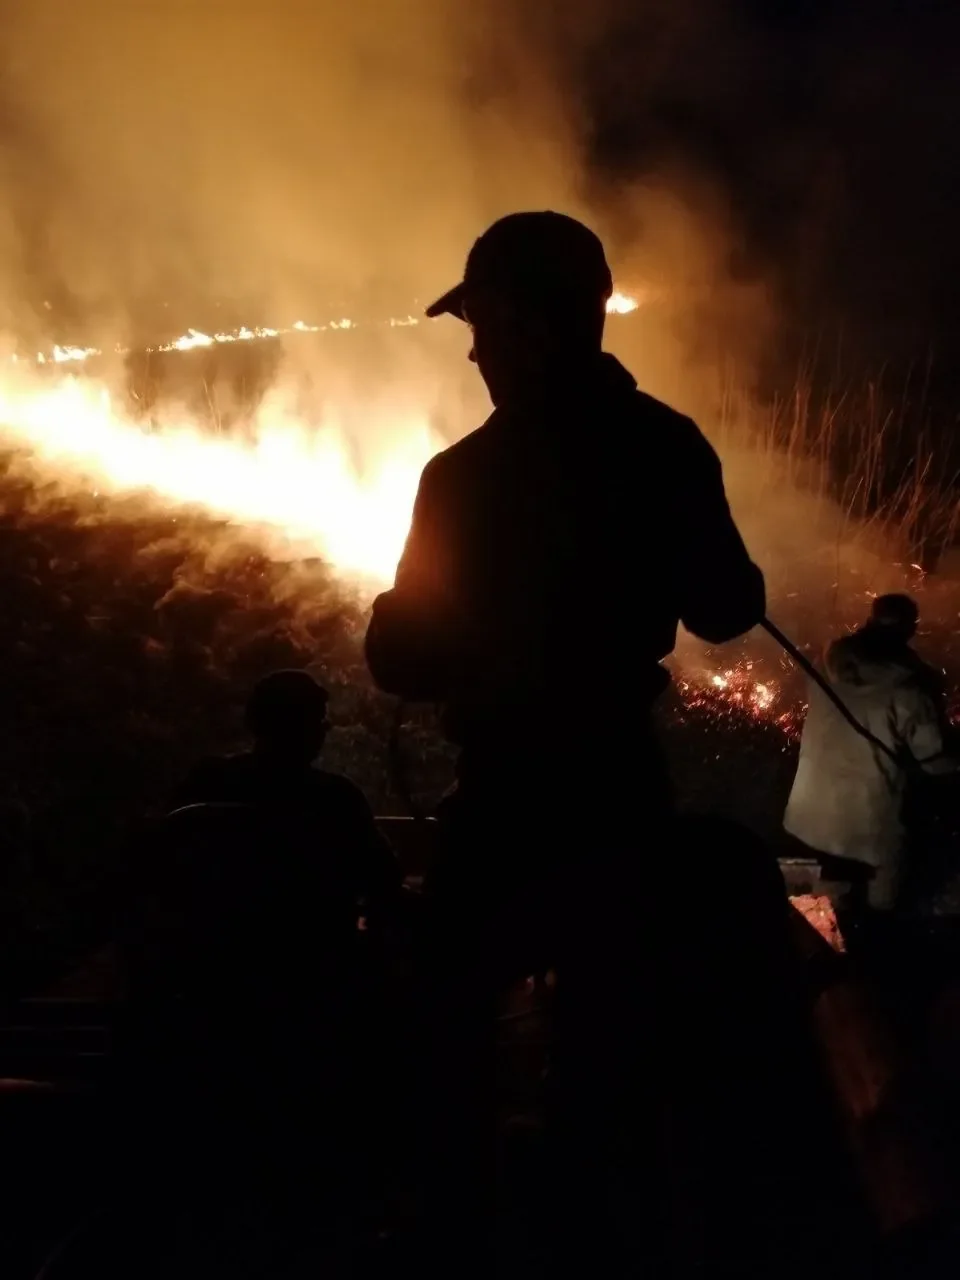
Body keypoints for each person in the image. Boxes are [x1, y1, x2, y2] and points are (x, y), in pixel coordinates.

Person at [364, 212, 767, 1271]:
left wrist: (402, 616)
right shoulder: (666, 444)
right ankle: (596, 1228)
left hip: (505, 794)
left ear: (529, 324)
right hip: (615, 789)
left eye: (482, 324)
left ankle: (452, 1233)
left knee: (446, 1023)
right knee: (613, 1041)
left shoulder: (463, 476)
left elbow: (402, 659)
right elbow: (727, 606)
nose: (474, 349)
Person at [169, 668, 403, 923]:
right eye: (320, 723)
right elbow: (383, 878)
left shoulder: (209, 780)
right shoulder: (336, 799)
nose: (323, 732)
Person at [784, 608, 955, 917]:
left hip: (804, 824)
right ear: (910, 631)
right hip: (869, 837)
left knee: (813, 925)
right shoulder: (911, 692)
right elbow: (936, 764)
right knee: (879, 919)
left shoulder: (824, 668)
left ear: (869, 622)